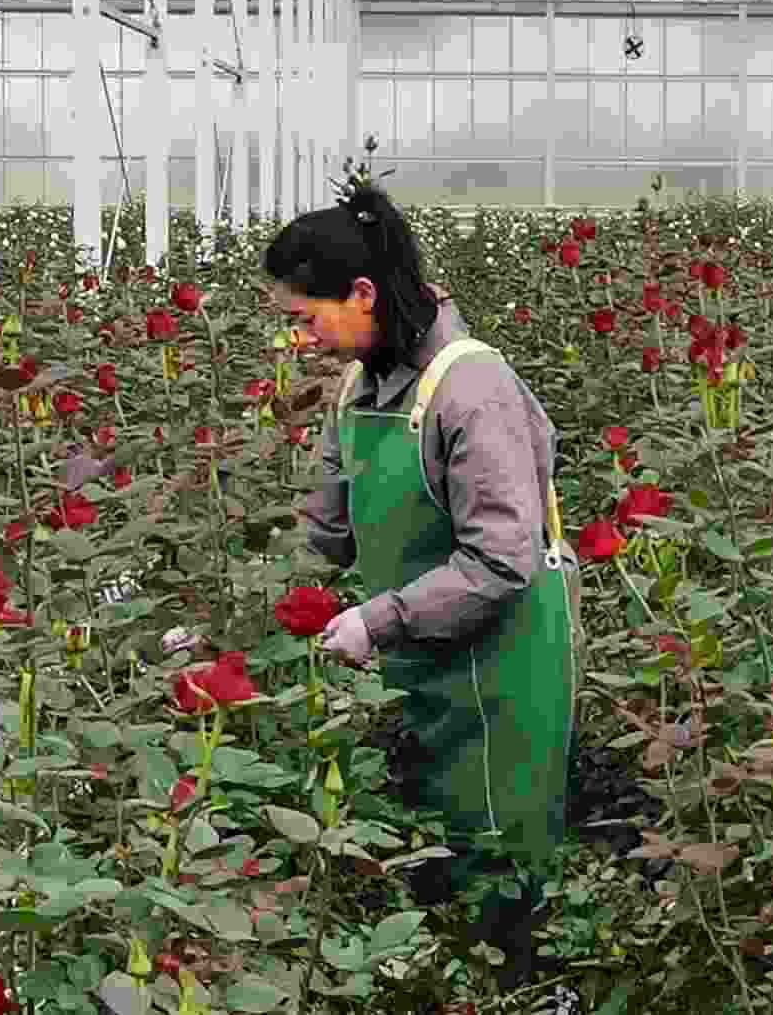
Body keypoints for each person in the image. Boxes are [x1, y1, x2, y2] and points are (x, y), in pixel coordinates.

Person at [279, 179, 577, 998]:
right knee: (429, 849)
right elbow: (324, 537)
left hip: (502, 669)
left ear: (362, 293)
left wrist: (375, 622)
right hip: (416, 661)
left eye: (306, 318)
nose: (300, 339)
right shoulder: (357, 390)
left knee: (497, 857)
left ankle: (516, 992)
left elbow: (501, 560)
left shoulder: (470, 387)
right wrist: (236, 616)